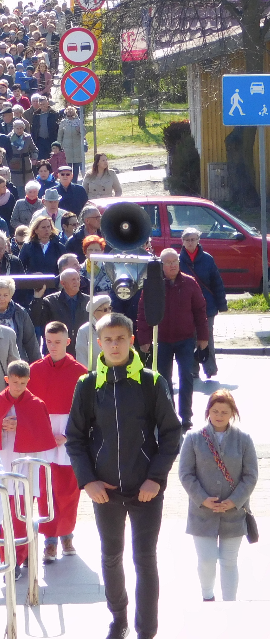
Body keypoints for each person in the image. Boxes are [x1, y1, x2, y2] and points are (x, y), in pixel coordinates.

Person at [65, 313, 182, 639]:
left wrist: (155, 479)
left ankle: (147, 630)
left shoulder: (151, 382)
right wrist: (87, 480)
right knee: (112, 556)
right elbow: (75, 438)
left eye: (120, 338)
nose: (114, 344)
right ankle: (118, 619)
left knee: (145, 559)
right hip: (105, 490)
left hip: (145, 490)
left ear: (131, 341)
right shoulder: (88, 385)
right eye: (108, 339)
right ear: (98, 343)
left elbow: (172, 435)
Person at [178, 389, 258, 602]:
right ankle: (208, 597)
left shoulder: (244, 439)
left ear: (232, 413)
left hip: (234, 513)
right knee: (206, 560)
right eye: (215, 411)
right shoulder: (194, 438)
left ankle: (229, 604)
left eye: (224, 411)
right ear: (208, 412)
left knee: (229, 560)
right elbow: (185, 473)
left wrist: (234, 500)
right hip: (202, 512)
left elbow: (251, 476)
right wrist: (202, 498)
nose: (219, 416)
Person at [0, 360, 58, 565]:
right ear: (7, 380)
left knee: (21, 514)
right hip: (2, 464)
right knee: (1, 512)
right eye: (14, 382)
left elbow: (44, 437)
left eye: (23, 383)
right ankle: (6, 557)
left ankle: (20, 556)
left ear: (28, 382)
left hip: (24, 467)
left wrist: (21, 427)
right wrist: (0, 425)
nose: (18, 387)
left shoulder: (36, 404)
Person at [29, 321, 90, 561]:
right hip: (43, 439)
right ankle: (50, 540)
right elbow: (29, 407)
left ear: (68, 341)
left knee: (68, 490)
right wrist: (42, 435)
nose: (52, 347)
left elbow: (85, 411)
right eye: (49, 342)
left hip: (69, 436)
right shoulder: (34, 370)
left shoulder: (80, 372)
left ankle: (67, 535)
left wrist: (69, 435)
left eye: (58, 342)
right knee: (46, 490)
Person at [137, 249, 209, 429]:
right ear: (161, 265)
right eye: (168, 262)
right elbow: (143, 312)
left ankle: (186, 416)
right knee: (163, 379)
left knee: (186, 376)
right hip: (161, 340)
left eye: (175, 261)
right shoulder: (153, 285)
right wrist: (144, 338)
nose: (173, 265)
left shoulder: (189, 283)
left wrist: (203, 337)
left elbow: (200, 311)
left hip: (185, 339)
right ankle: (168, 415)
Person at [178, 227, 227, 379]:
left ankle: (210, 368)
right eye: (187, 240)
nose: (190, 242)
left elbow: (217, 283)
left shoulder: (207, 259)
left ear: (198, 240)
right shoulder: (178, 261)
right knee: (190, 339)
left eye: (193, 239)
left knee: (207, 338)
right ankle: (193, 370)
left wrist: (221, 304)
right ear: (183, 242)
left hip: (207, 306)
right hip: (186, 307)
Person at [76, 294, 113, 369]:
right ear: (94, 313)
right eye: (105, 310)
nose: (109, 312)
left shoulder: (117, 327)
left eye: (109, 308)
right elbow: (81, 356)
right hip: (94, 375)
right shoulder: (84, 330)